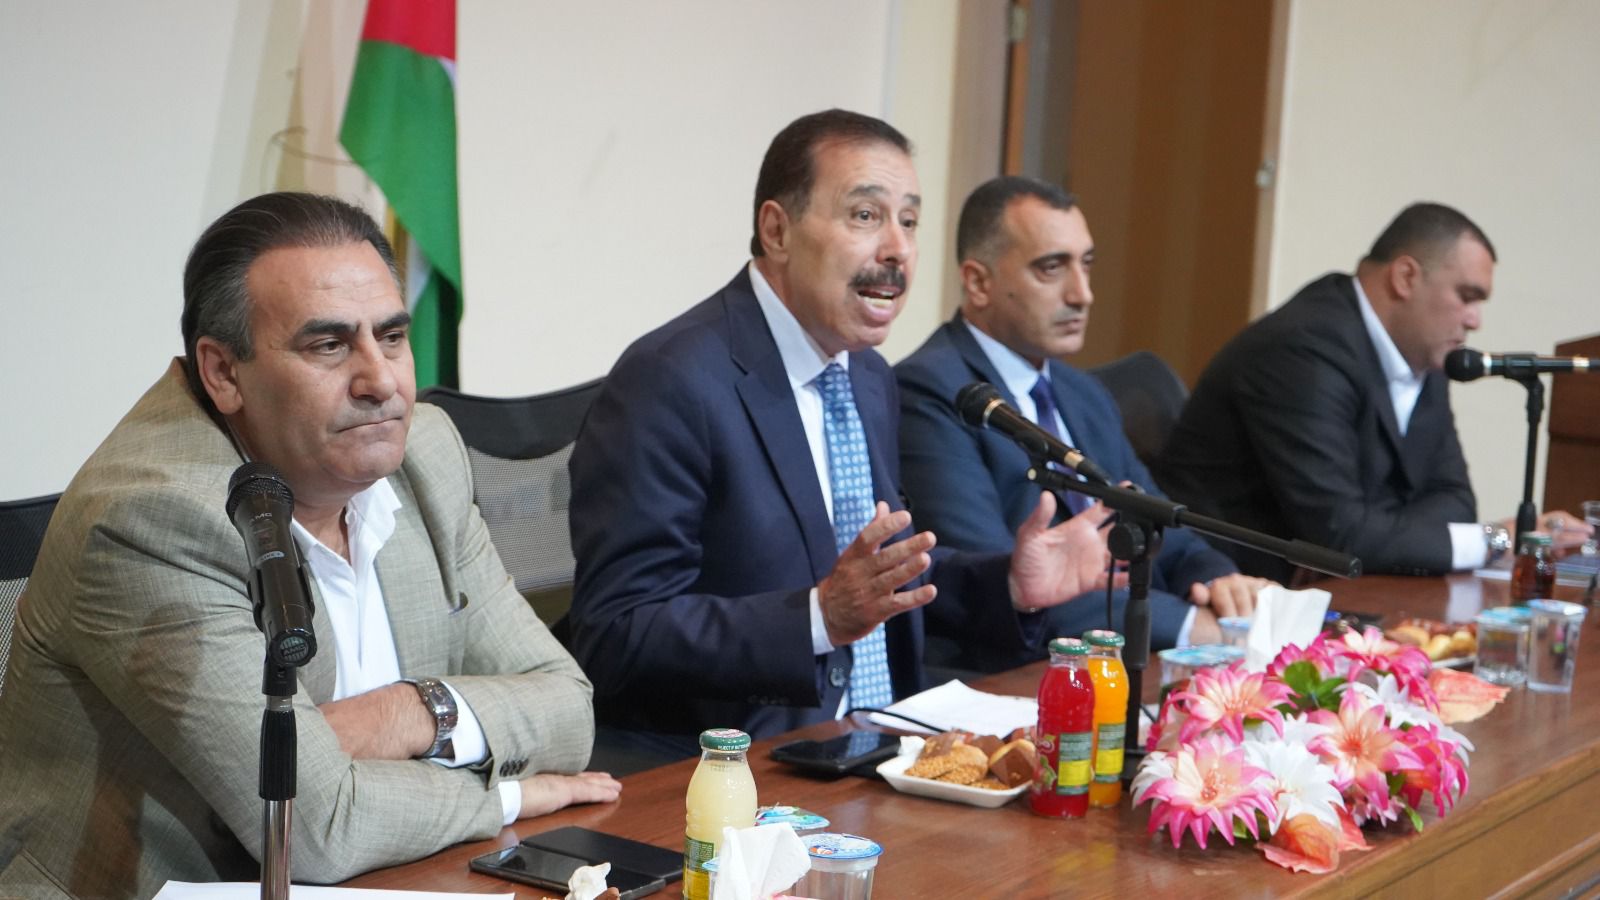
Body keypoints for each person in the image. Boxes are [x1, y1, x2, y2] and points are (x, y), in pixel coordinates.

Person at [0, 193, 618, 899]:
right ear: (223, 373)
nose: (381, 381)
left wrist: (410, 713)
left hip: (398, 875)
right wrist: (506, 797)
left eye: (391, 336)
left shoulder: (425, 456)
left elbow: (569, 710)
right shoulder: (154, 519)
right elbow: (317, 825)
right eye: (328, 345)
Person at [567, 110, 1120, 754]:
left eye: (908, 221)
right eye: (865, 215)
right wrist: (815, 619)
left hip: (887, 743)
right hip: (746, 765)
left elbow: (882, 582)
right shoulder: (670, 381)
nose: (897, 250)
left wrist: (1009, 588)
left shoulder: (866, 377)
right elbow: (617, 632)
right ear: (777, 230)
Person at [894, 176, 1266, 670]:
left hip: (1123, 661)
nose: (1082, 293)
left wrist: (1218, 580)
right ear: (979, 282)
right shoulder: (931, 392)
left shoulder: (1081, 391)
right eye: (1051, 268)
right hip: (1013, 674)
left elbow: (1158, 522)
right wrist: (1187, 626)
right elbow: (1001, 582)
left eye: (1086, 264)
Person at [1153, 202, 1593, 582]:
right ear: (1405, 277)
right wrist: (1495, 540)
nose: (1475, 320)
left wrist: (1376, 539)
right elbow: (1339, 534)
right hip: (1219, 587)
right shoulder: (1302, 349)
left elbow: (1454, 502)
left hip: (1333, 588)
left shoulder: (1425, 352)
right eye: (1466, 296)